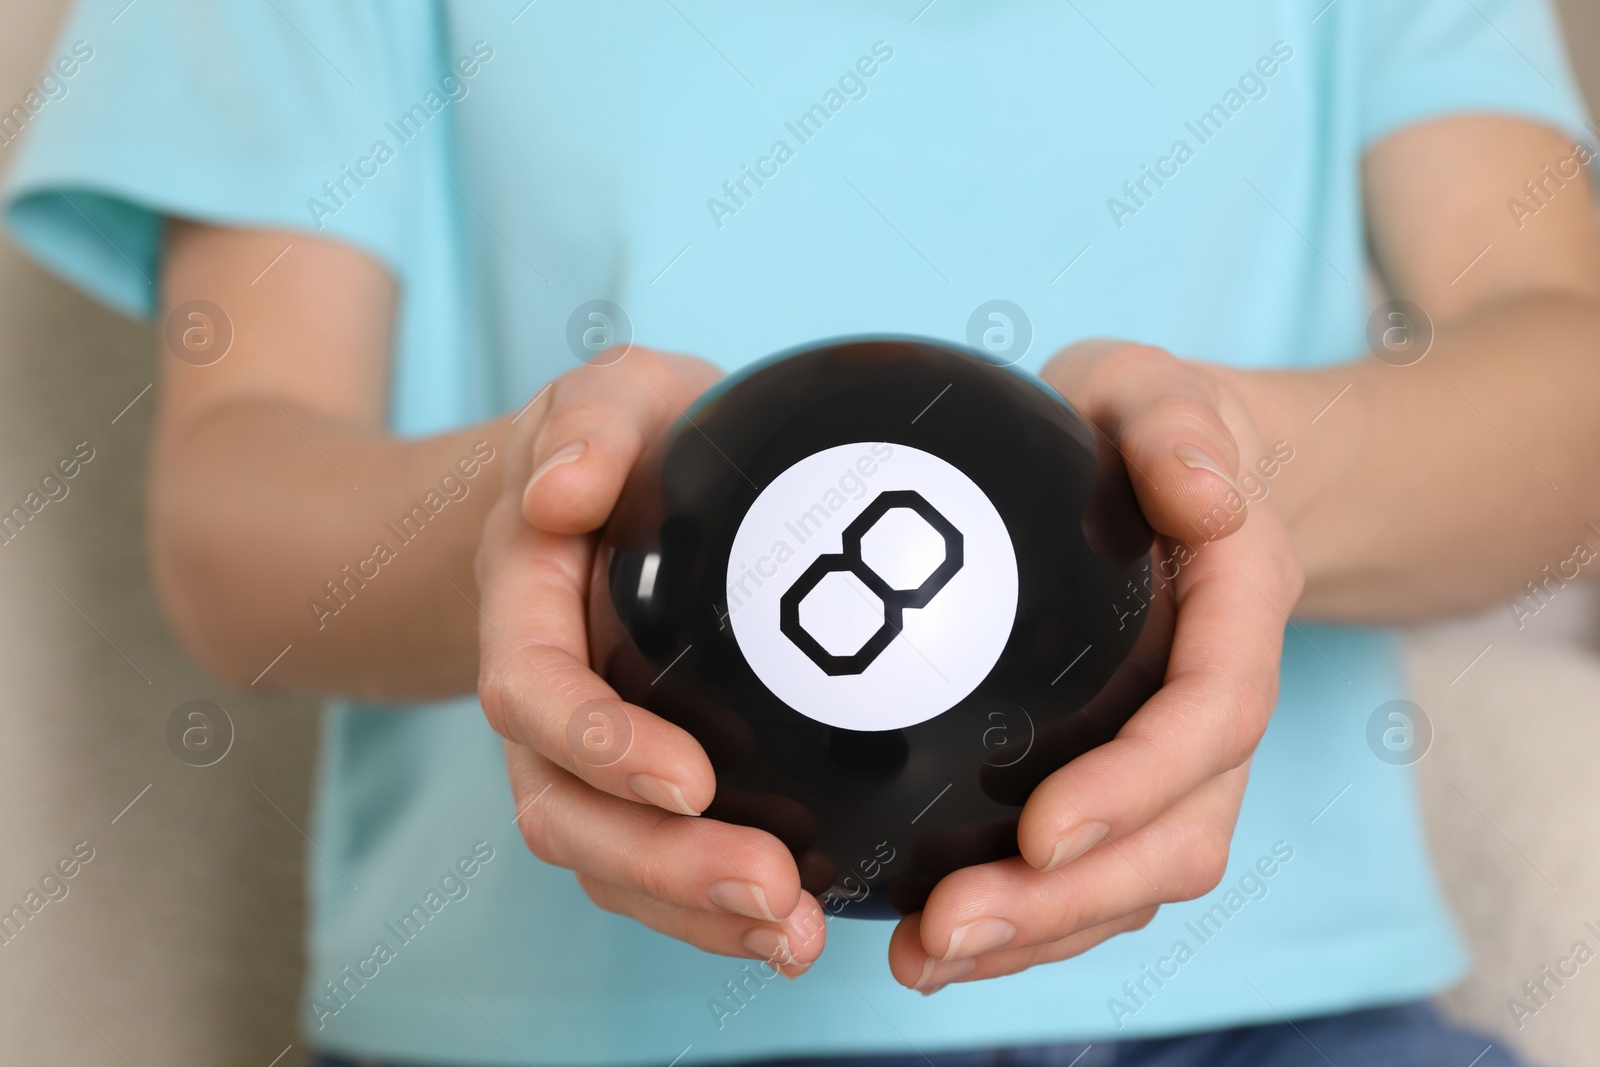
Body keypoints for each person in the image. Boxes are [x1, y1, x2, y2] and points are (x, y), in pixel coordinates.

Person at [7, 0, 1599, 1063]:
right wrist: (527, 525)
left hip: (1278, 1016)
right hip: (527, 1038)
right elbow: (234, 522)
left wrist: (1235, 481)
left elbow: (1566, 390)